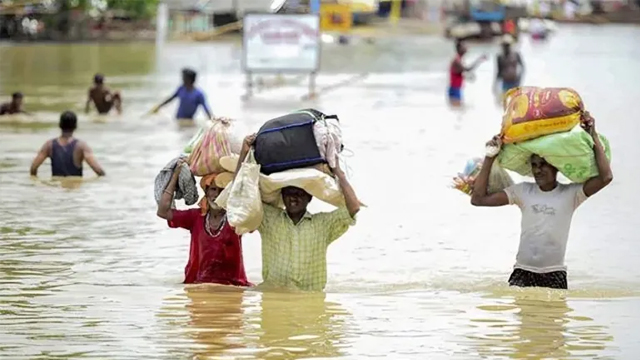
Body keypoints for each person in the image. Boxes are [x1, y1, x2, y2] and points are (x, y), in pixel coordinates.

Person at [470, 112, 613, 289]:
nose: (538, 170)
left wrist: (593, 135)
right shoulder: (522, 191)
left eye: (543, 164)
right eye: (534, 165)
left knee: (552, 316)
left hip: (555, 274)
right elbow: (478, 199)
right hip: (522, 272)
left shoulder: (571, 194)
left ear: (556, 166)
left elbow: (606, 177)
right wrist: (490, 157)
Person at [233, 134, 361, 291]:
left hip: (310, 300)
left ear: (309, 198)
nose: (293, 198)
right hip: (275, 299)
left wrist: (337, 171)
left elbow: (353, 208)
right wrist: (244, 154)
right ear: (282, 196)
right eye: (289, 193)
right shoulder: (269, 218)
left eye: (299, 193)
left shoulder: (323, 224)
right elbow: (240, 197)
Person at [156, 168, 252, 287]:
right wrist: (175, 174)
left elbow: (254, 215)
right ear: (206, 192)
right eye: (213, 189)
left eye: (222, 190)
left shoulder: (236, 218)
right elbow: (163, 211)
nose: (216, 195)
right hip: (197, 285)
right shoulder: (195, 217)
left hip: (232, 287)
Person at [30, 111, 106, 177]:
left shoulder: (49, 145)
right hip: (75, 191)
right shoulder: (81, 146)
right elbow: (99, 171)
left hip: (56, 189)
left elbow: (33, 168)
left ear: (60, 125)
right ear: (75, 126)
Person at [448, 40, 487, 107]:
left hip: (456, 88)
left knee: (457, 110)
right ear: (459, 49)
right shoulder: (457, 61)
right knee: (457, 108)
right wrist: (479, 60)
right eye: (464, 46)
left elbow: (459, 73)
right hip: (455, 89)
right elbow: (468, 69)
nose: (466, 48)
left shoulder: (459, 60)